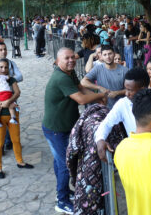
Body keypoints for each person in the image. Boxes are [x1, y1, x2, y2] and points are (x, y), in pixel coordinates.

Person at [42, 47, 107, 214]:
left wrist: (96, 96)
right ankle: (62, 200)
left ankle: (62, 192)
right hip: (56, 129)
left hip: (64, 127)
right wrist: (100, 95)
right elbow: (80, 98)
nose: (71, 60)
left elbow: (81, 88)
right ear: (57, 61)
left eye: (73, 57)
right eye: (66, 58)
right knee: (64, 164)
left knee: (59, 162)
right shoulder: (61, 77)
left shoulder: (70, 73)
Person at [0, 58, 34, 179]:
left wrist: (9, 101)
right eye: (1, 67)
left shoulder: (11, 79)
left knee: (16, 139)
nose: (3, 69)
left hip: (12, 114)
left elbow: (17, 92)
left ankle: (20, 161)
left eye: (6, 67)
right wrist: (4, 103)